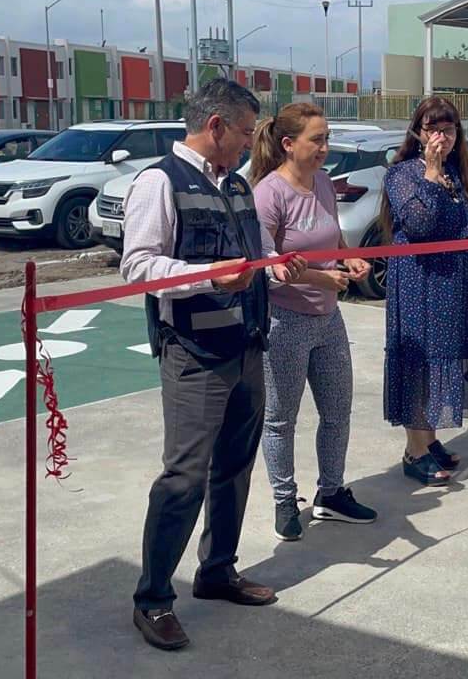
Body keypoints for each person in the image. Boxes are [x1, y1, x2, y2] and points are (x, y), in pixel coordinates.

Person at [121, 78, 307, 651]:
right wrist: (208, 276)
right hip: (195, 354)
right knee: (184, 478)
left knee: (233, 467)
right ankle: (153, 599)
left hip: (246, 344)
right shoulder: (159, 182)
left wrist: (276, 263)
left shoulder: (237, 185)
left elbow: (253, 252)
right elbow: (138, 265)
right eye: (247, 132)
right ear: (216, 126)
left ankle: (218, 570)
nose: (252, 143)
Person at [248, 102, 377, 541]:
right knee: (280, 418)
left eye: (327, 139)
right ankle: (285, 501)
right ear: (288, 144)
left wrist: (349, 258)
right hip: (285, 320)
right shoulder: (269, 193)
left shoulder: (322, 182)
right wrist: (323, 278)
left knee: (337, 411)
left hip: (327, 318)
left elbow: (332, 237)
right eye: (316, 140)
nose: (324, 148)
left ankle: (331, 493)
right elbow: (267, 264)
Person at [380, 96, 468, 486]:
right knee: (420, 363)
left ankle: (428, 439)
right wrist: (430, 171)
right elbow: (419, 225)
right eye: (432, 128)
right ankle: (415, 449)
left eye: (448, 128)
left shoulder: (456, 175)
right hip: (418, 285)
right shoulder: (403, 174)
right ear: (417, 132)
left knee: (443, 359)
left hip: (453, 284)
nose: (441, 136)